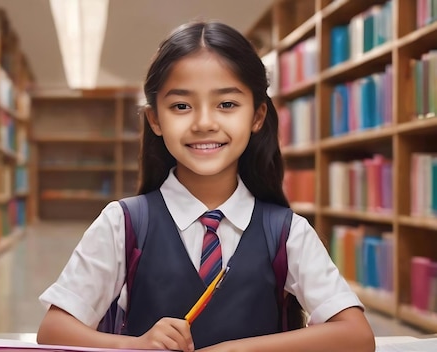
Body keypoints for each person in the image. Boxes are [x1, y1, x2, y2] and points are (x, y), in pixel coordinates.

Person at [37, 20, 375, 352]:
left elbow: (356, 336)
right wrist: (135, 346)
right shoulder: (122, 224)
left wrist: (240, 350)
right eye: (181, 106)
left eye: (226, 104)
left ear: (257, 116)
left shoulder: (287, 232)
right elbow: (54, 329)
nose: (203, 123)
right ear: (155, 119)